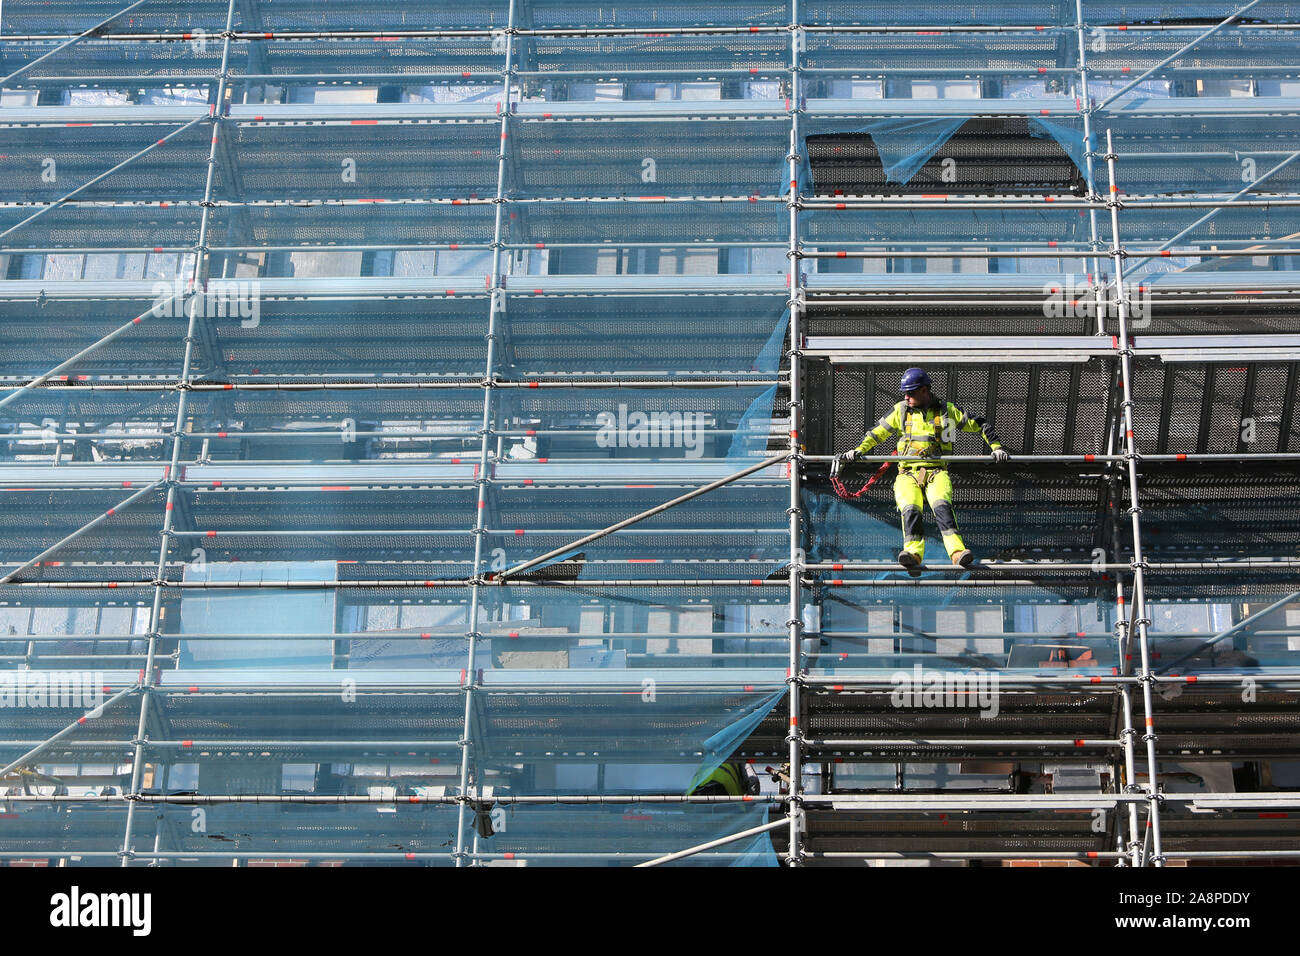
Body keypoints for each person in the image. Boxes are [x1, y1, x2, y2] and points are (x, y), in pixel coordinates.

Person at [834, 367, 1008, 573]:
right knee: (910, 509)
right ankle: (913, 554)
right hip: (907, 473)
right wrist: (857, 450)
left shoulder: (947, 410)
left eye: (911, 392)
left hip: (936, 472)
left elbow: (979, 424)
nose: (907, 397)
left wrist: (996, 448)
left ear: (924, 390)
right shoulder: (900, 410)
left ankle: (957, 553)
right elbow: (876, 433)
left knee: (942, 506)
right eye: (905, 393)